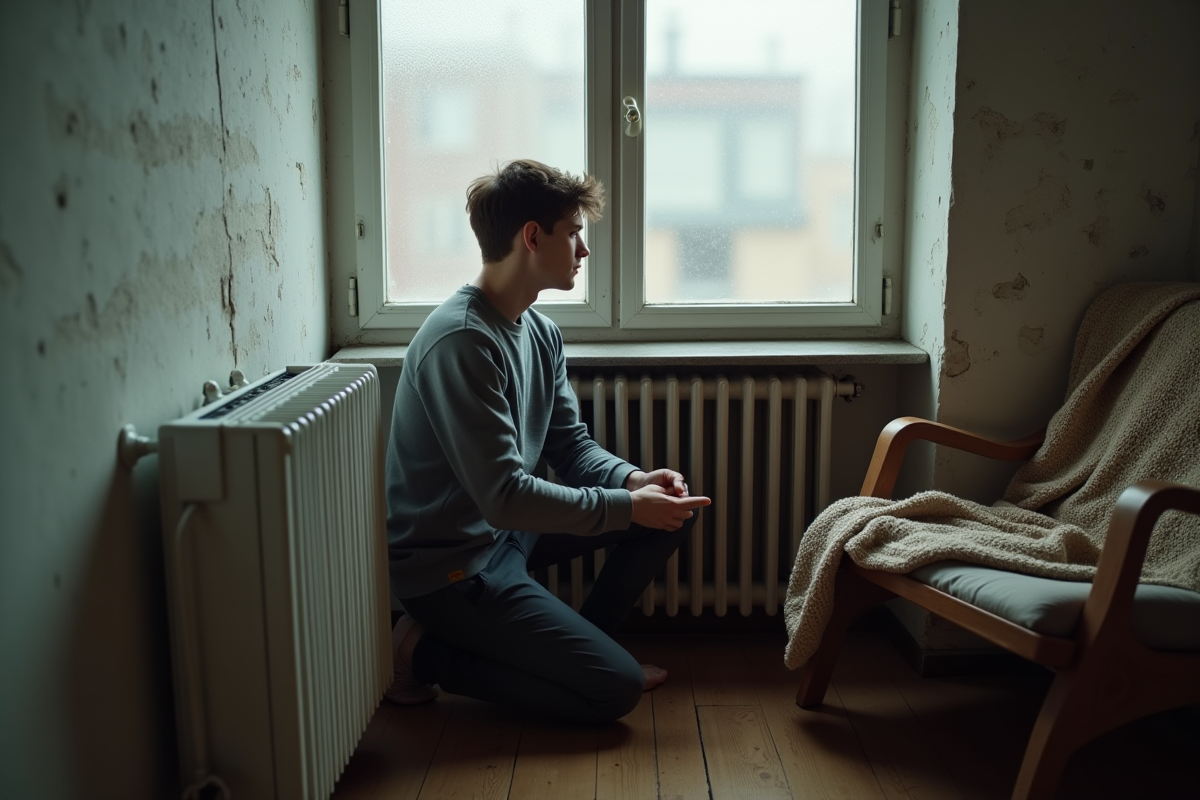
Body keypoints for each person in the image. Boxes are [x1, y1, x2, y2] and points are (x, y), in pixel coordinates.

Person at [383, 159, 711, 722]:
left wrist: (634, 481)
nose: (584, 250)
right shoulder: (462, 341)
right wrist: (627, 505)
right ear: (532, 237)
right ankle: (418, 650)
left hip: (508, 535)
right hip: (453, 571)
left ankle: (588, 652)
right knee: (616, 693)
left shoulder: (540, 331)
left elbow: (571, 446)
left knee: (671, 513)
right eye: (574, 233)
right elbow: (504, 496)